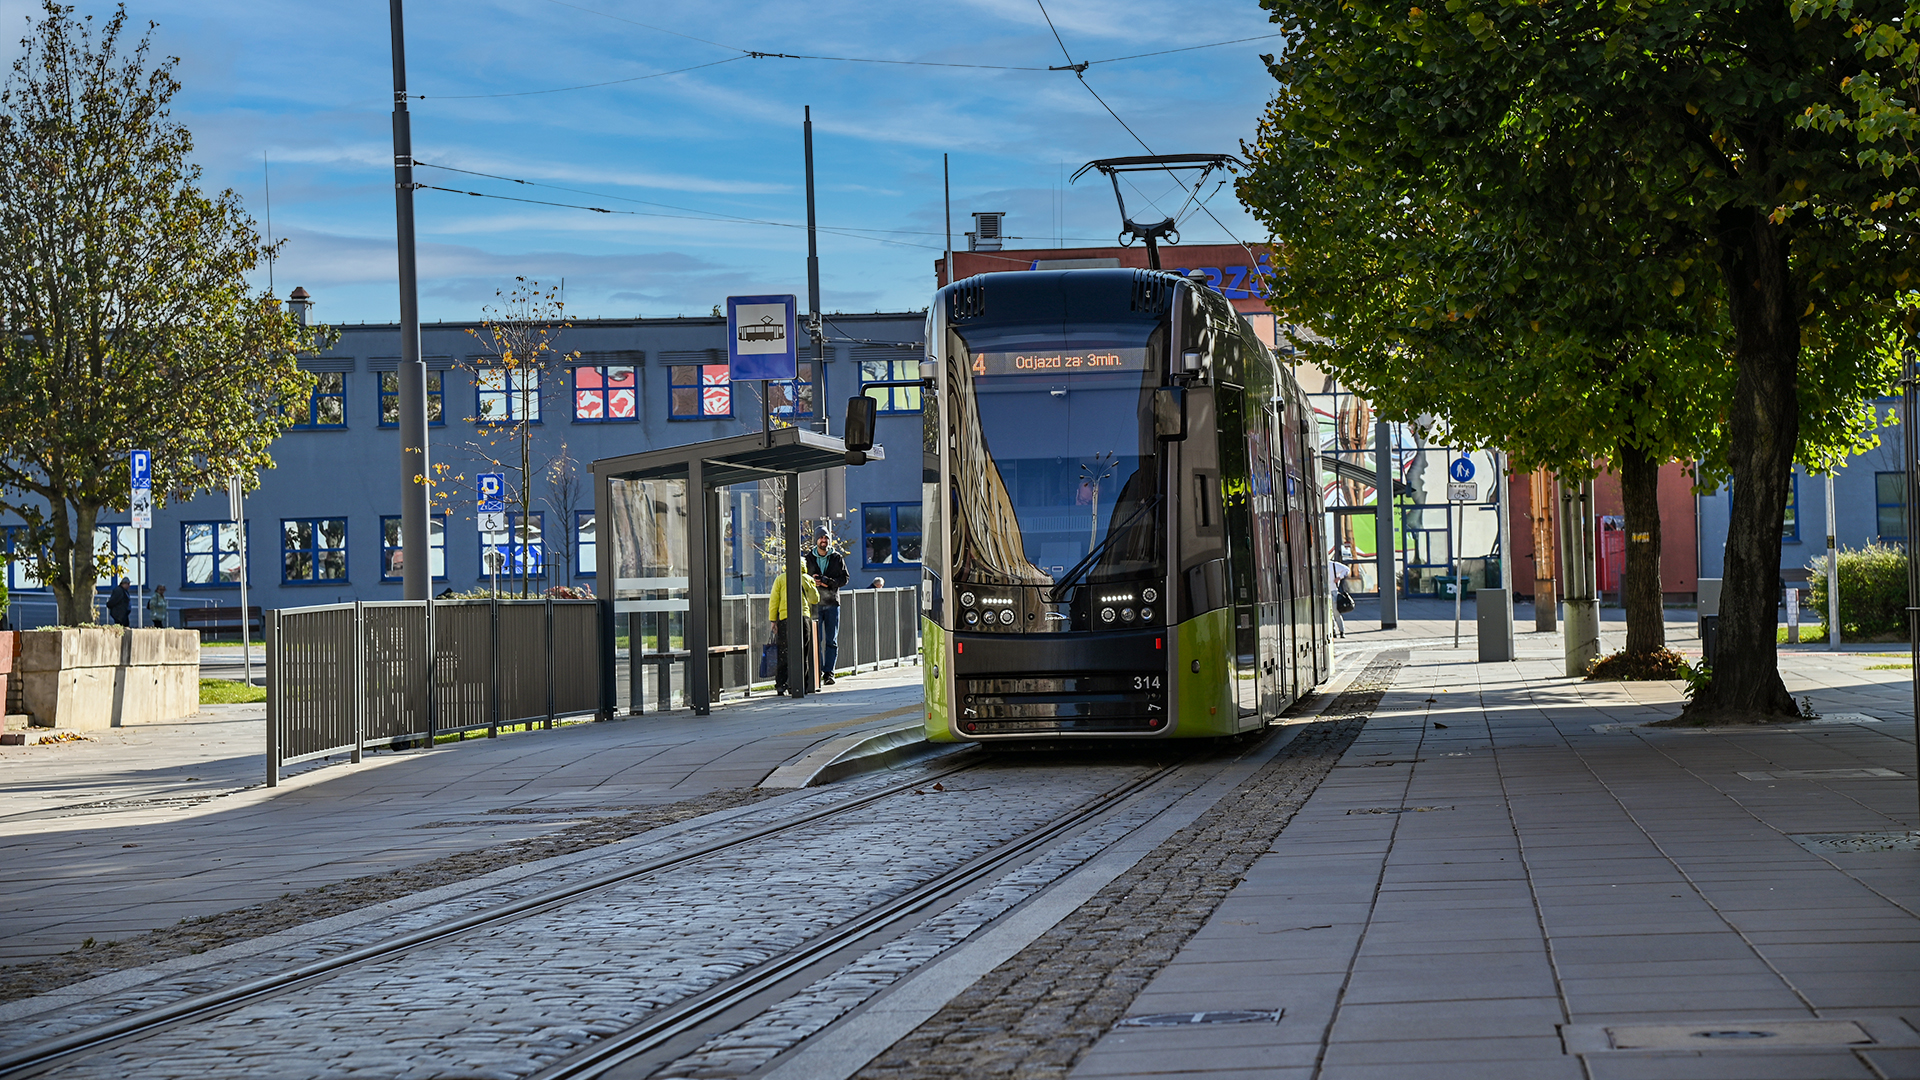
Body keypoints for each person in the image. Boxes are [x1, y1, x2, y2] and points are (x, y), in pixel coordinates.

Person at [804, 528, 849, 686]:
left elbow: (845, 579)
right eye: (821, 537)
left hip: (831, 603)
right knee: (816, 639)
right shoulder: (808, 558)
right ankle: (816, 671)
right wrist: (813, 581)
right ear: (816, 540)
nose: (824, 540)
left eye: (826, 537)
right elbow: (802, 577)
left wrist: (827, 582)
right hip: (814, 603)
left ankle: (829, 673)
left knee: (831, 640)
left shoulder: (837, 558)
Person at [768, 567, 819, 695]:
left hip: (785, 619)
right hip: (803, 618)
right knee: (803, 651)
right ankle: (802, 684)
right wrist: (809, 583)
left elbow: (774, 600)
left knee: (784, 652)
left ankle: (781, 684)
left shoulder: (780, 579)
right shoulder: (807, 578)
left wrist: (773, 620)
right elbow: (815, 599)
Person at [1328, 557, 1350, 639]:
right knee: (1329, 614)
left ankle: (1341, 631)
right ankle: (1333, 631)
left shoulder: (1333, 565)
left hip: (1333, 591)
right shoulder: (1320, 565)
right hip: (1325, 592)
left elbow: (1346, 570)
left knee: (1336, 612)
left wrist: (1339, 577)